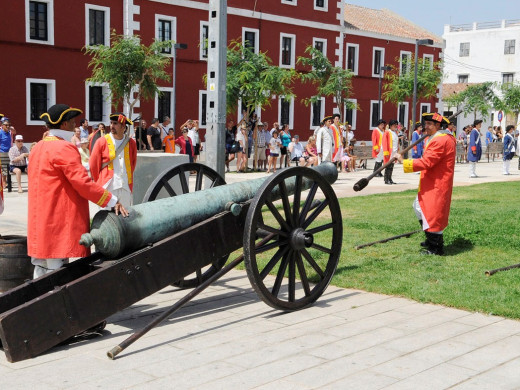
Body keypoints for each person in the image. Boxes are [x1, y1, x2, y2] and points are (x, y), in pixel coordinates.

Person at [29, 104, 128, 278]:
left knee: (40, 266)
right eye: (72, 121)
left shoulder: (38, 147)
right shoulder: (64, 148)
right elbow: (82, 183)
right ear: (64, 125)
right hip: (57, 218)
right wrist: (111, 200)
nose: (75, 125)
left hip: (40, 218)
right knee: (56, 267)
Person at [396, 112, 456, 255]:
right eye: (425, 124)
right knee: (420, 207)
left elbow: (427, 162)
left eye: (429, 124)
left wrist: (403, 162)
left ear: (437, 125)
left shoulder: (440, 140)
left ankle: (436, 248)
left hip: (436, 183)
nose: (425, 127)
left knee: (433, 213)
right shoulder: (439, 137)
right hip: (432, 181)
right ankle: (431, 239)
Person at [90, 113, 138, 209]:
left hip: (125, 187)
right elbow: (93, 166)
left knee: (125, 219)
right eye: (111, 123)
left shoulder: (131, 143)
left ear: (123, 126)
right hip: (108, 187)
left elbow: (133, 163)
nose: (112, 126)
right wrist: (100, 182)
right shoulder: (101, 141)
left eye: (115, 123)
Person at [382, 120, 399, 185]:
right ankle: (386, 179)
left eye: (396, 125)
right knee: (388, 166)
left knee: (391, 166)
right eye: (394, 125)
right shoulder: (387, 132)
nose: (395, 126)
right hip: (389, 152)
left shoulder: (395, 132)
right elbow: (385, 143)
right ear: (390, 126)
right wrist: (386, 152)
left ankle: (390, 178)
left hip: (394, 151)